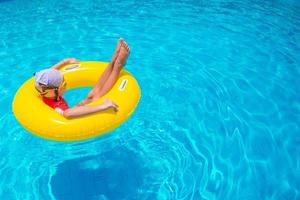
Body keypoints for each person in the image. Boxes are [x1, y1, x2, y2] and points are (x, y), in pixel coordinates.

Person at [34, 38, 130, 119]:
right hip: (71, 117)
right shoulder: (58, 107)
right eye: (64, 85)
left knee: (90, 96)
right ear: (54, 90)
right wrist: (103, 106)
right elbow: (67, 113)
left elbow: (49, 72)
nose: (65, 87)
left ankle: (113, 59)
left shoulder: (43, 88)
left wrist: (65, 61)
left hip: (73, 107)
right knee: (96, 97)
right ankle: (118, 65)